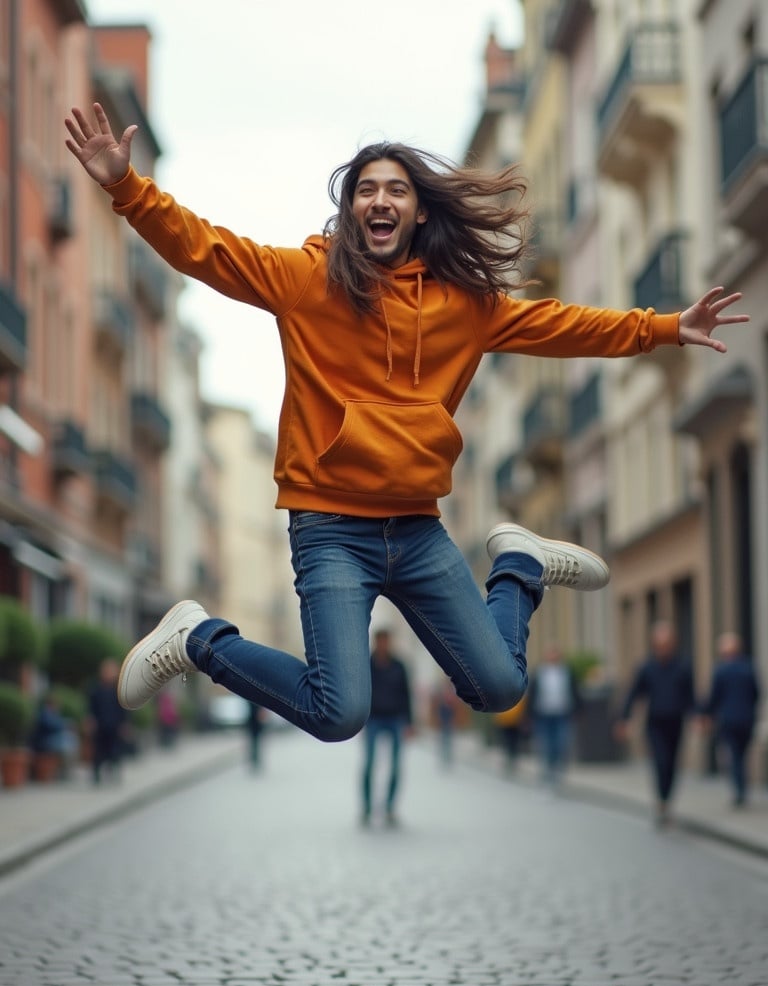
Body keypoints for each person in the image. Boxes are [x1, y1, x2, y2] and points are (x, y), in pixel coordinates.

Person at [64, 103, 748, 753]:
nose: (380, 200)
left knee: (501, 684)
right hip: (330, 527)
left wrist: (664, 327)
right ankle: (198, 640)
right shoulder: (306, 280)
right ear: (351, 209)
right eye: (366, 190)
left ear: (418, 211)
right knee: (338, 713)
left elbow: (560, 325)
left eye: (396, 189)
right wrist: (126, 185)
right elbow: (202, 249)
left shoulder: (464, 305)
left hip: (417, 529)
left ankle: (518, 566)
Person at [615, 621, 696, 826]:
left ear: (673, 644)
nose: (663, 648)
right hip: (655, 723)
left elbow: (690, 696)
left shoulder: (683, 667)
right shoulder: (647, 667)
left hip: (676, 722)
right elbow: (634, 694)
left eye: (667, 643)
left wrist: (698, 716)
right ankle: (662, 803)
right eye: (660, 644)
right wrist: (624, 720)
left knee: (671, 764)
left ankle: (666, 800)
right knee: (660, 761)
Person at [700, 632, 760, 807]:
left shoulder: (721, 671)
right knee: (741, 755)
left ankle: (739, 790)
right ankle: (742, 788)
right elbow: (756, 693)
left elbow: (713, 697)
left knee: (734, 756)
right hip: (747, 719)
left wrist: (706, 714)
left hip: (728, 720)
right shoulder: (748, 668)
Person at [361, 629, 413, 825]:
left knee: (396, 766)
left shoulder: (399, 666)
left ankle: (390, 808)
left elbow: (407, 695)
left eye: (386, 641)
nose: (383, 644)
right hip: (373, 719)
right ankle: (367, 808)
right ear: (376, 642)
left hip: (395, 719)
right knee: (369, 765)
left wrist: (409, 723)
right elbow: (361, 693)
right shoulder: (368, 665)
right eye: (380, 641)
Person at [527, 643, 580, 785]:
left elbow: (575, 692)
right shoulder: (539, 672)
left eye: (555, 653)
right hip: (543, 714)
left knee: (561, 743)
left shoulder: (567, 672)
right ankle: (547, 773)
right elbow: (532, 695)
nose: (553, 657)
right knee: (545, 744)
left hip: (562, 713)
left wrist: (578, 711)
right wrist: (528, 716)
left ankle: (558, 769)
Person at [87, 656, 128, 785]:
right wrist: (89, 720)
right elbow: (90, 707)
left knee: (115, 751)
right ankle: (96, 775)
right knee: (99, 751)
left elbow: (125, 708)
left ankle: (114, 773)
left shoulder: (119, 690)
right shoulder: (95, 689)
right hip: (100, 725)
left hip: (115, 725)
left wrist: (125, 724)